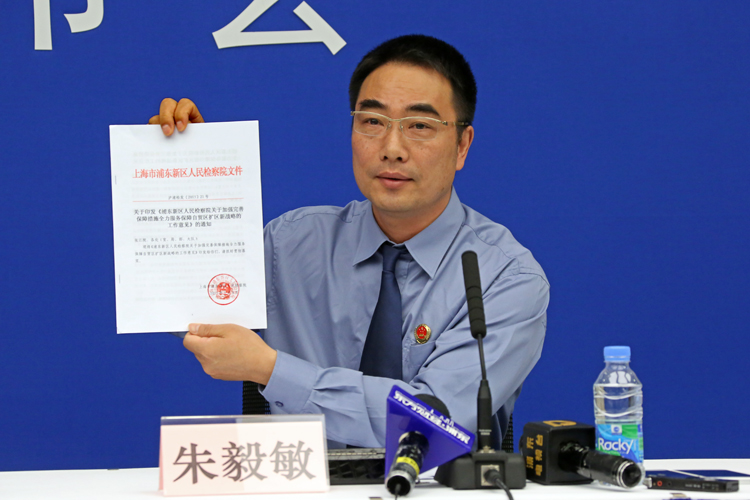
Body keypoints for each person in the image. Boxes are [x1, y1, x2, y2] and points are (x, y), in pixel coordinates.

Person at [149, 35, 549, 448]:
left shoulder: (505, 277)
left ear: (462, 145)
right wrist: (187, 174)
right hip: (300, 480)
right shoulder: (289, 245)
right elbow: (185, 303)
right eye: (372, 121)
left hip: (438, 481)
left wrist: (273, 371)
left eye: (419, 126)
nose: (392, 149)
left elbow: (430, 421)